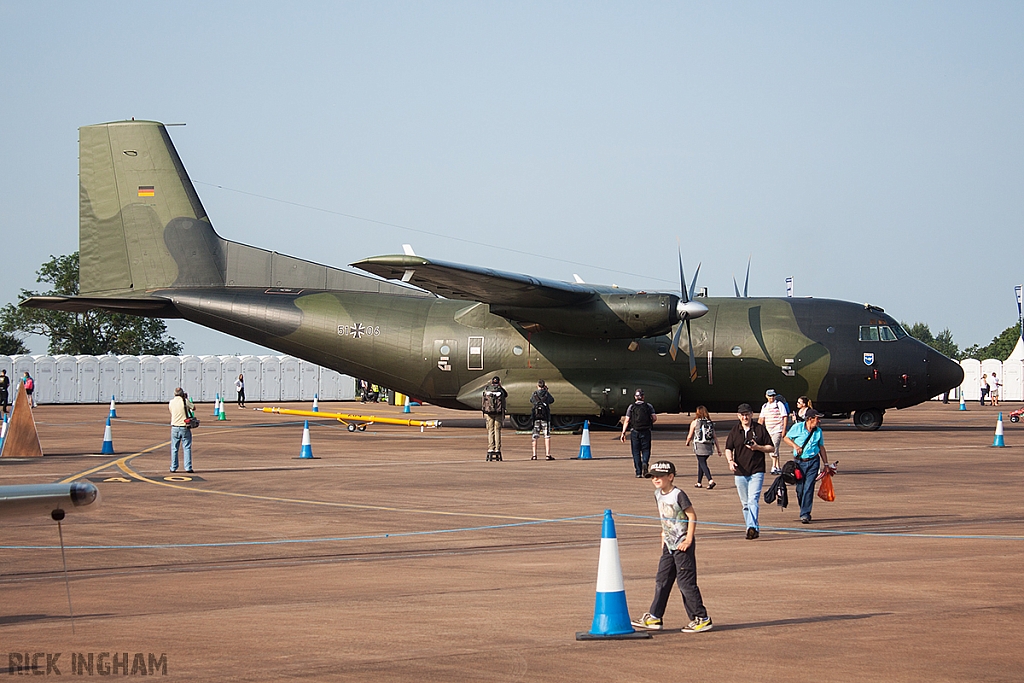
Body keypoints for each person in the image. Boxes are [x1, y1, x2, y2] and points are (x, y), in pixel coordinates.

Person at [630, 460, 713, 633]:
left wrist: (688, 539)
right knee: (662, 580)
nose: (656, 479)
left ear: (671, 477)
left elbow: (692, 516)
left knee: (685, 583)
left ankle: (701, 618)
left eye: (660, 476)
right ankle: (655, 616)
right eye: (653, 476)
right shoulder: (657, 494)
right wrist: (663, 533)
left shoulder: (678, 495)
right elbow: (664, 517)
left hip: (682, 545)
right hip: (669, 544)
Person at [724, 403, 774, 539]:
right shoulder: (735, 431)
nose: (745, 417)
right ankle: (751, 528)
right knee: (745, 503)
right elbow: (728, 448)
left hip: (756, 470)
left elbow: (771, 448)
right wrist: (730, 461)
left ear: (752, 414)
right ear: (738, 416)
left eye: (747, 414)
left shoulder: (759, 429)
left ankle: (751, 526)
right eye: (742, 415)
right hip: (740, 471)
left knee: (753, 500)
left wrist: (758, 447)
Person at [782, 408, 828, 524]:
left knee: (809, 487)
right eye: (817, 419)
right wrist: (795, 446)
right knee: (800, 488)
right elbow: (786, 438)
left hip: (813, 462)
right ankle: (803, 507)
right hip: (799, 463)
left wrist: (826, 464)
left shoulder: (818, 431)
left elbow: (821, 447)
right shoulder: (797, 428)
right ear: (810, 419)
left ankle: (805, 513)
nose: (819, 421)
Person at [621, 389, 657, 478]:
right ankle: (645, 463)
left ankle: (638, 472)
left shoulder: (631, 407)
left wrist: (623, 432)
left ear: (635, 397)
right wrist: (649, 422)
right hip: (646, 431)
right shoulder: (648, 406)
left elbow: (627, 420)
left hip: (635, 431)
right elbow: (654, 418)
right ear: (643, 397)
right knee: (646, 449)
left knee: (636, 452)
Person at [685, 406, 722, 489]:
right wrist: (718, 449)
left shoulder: (695, 422)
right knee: (701, 463)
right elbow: (715, 436)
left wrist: (687, 442)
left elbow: (690, 435)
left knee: (702, 463)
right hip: (709, 445)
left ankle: (710, 480)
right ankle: (699, 482)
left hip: (699, 445)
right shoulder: (710, 422)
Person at [759, 389, 788, 475]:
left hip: (777, 429)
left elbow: (785, 416)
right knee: (771, 448)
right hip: (768, 430)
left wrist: (784, 429)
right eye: (770, 396)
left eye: (773, 396)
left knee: (774, 447)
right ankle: (778, 466)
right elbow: (761, 418)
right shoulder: (764, 406)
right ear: (766, 396)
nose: (772, 397)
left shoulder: (779, 405)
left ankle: (774, 466)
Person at [169, 387, 196, 473]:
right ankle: (188, 467)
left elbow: (171, 411)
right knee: (187, 447)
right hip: (184, 426)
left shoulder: (171, 402)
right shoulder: (184, 401)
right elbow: (193, 408)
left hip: (175, 427)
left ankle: (173, 467)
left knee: (174, 448)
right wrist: (186, 399)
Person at [481, 376, 507, 461]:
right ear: (499, 382)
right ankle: (497, 449)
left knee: (490, 430)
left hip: (489, 413)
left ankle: (490, 448)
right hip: (498, 413)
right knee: (497, 430)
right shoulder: (500, 391)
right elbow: (506, 395)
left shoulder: (487, 389)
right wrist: (500, 386)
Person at [530, 379, 555, 460]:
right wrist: (546, 391)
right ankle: (547, 455)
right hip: (545, 418)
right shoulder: (547, 394)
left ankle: (534, 455)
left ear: (537, 386)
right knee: (546, 436)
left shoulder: (534, 394)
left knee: (535, 436)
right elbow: (552, 400)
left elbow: (531, 400)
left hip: (536, 418)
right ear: (544, 386)